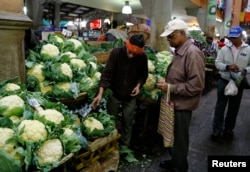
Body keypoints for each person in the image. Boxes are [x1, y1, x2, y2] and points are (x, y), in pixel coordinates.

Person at [157, 19, 205, 172]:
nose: (168, 40)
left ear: (183, 34)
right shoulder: (179, 50)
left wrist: (171, 87)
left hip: (182, 105)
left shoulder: (192, 53)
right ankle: (174, 161)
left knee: (180, 140)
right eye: (168, 37)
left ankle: (180, 167)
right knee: (172, 137)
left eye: (171, 36)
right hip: (173, 102)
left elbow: (196, 85)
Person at [91, 34, 148, 147]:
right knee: (112, 121)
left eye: (135, 54)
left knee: (128, 121)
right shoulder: (116, 53)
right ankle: (113, 145)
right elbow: (106, 74)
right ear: (126, 45)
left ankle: (125, 146)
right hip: (114, 93)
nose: (131, 56)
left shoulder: (142, 57)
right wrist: (100, 94)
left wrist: (138, 86)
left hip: (130, 95)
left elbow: (144, 75)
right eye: (130, 52)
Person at [211, 26, 250, 141]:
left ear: (241, 36)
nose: (233, 39)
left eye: (235, 37)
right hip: (224, 81)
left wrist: (244, 70)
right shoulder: (224, 49)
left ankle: (229, 129)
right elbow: (217, 63)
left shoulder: (248, 49)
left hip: (238, 82)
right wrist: (228, 67)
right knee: (220, 106)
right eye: (231, 37)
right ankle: (216, 129)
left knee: (234, 107)